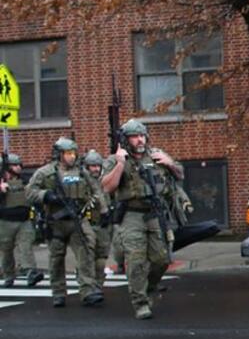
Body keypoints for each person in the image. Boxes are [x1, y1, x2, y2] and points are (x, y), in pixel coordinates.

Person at [101, 119, 182, 319]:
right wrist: (120, 164)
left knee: (162, 259)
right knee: (136, 261)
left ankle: (149, 288)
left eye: (142, 135)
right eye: (135, 136)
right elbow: (106, 187)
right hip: (131, 215)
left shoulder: (155, 155)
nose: (140, 140)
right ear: (126, 140)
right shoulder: (116, 160)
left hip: (154, 213)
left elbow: (180, 175)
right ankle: (140, 303)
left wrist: (169, 163)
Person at [26, 138, 105, 307]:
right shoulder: (45, 173)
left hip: (78, 218)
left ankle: (88, 290)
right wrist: (46, 195)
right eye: (68, 153)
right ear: (59, 154)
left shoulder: (82, 173)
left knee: (87, 250)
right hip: (55, 222)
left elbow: (97, 190)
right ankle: (58, 292)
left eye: (73, 153)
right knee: (56, 258)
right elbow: (30, 192)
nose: (72, 157)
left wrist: (103, 211)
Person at [0, 153, 44, 287]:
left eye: (19, 165)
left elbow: (34, 194)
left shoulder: (25, 181)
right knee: (6, 250)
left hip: (24, 220)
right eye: (14, 165)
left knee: (26, 245)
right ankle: (8, 275)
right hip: (5, 221)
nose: (18, 168)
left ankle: (30, 271)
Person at [82, 150, 113, 289]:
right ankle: (88, 287)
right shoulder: (81, 182)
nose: (95, 169)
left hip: (103, 225)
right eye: (92, 166)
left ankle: (98, 286)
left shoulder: (105, 181)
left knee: (101, 259)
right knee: (87, 258)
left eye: (97, 166)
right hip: (86, 224)